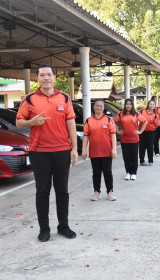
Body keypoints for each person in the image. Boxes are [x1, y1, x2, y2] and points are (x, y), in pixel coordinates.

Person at [16, 63, 78, 242]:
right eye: (42, 75)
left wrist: (74, 148)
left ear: (54, 77)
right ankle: (44, 229)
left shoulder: (65, 98)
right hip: (39, 151)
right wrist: (32, 122)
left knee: (62, 190)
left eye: (49, 75)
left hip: (62, 150)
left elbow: (71, 124)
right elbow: (19, 122)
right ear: (37, 78)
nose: (46, 78)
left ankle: (63, 226)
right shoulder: (29, 99)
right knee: (42, 191)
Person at [82, 99, 117, 201]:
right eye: (97, 106)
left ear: (103, 108)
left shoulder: (109, 120)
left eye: (101, 106)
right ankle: (96, 192)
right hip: (94, 152)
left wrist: (114, 149)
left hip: (106, 151)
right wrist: (84, 150)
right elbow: (86, 136)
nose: (99, 108)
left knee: (107, 172)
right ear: (93, 107)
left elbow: (113, 135)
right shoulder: (89, 121)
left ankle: (110, 192)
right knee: (96, 173)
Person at [114, 99, 147, 180]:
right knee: (126, 157)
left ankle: (133, 173)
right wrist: (118, 130)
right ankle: (128, 172)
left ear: (132, 105)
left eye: (130, 104)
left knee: (134, 156)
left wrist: (140, 131)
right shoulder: (120, 114)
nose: (128, 106)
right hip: (124, 139)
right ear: (125, 105)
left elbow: (145, 121)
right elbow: (112, 122)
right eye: (127, 104)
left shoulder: (136, 114)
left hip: (134, 139)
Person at [139, 100, 160, 166]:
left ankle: (150, 160)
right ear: (148, 105)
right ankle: (142, 161)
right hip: (142, 131)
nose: (152, 105)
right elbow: (137, 118)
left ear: (154, 106)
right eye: (150, 104)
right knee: (142, 146)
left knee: (150, 146)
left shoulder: (155, 114)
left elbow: (158, 124)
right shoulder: (142, 111)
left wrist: (156, 119)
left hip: (151, 132)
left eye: (153, 104)